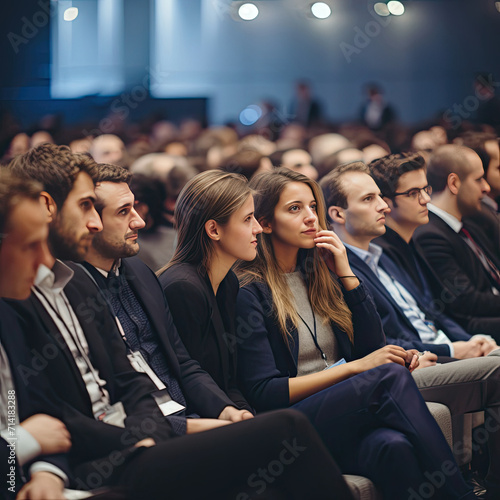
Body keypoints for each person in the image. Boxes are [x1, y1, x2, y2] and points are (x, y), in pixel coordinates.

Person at [7, 149, 351, 499]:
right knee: (288, 428)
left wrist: (225, 410)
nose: (137, 221)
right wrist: (44, 462)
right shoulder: (165, 284)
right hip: (113, 451)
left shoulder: (101, 278)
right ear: (48, 207)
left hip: (152, 430)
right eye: (89, 207)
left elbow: (140, 376)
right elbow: (49, 411)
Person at [235, 167, 475, 499]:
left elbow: (371, 347)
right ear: (265, 222)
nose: (310, 218)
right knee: (387, 376)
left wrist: (346, 274)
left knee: (393, 447)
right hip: (288, 423)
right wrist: (352, 368)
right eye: (294, 209)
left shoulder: (318, 273)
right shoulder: (250, 291)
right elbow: (264, 391)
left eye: (312, 208)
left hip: (340, 407)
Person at [321, 159, 500, 498]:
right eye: (369, 199)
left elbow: (429, 312)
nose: (383, 205)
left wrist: (465, 341)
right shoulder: (338, 267)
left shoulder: (381, 252)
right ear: (338, 214)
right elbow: (374, 340)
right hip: (406, 363)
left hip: (428, 352)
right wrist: (448, 350)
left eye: (381, 197)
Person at [158, 170, 261, 410]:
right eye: (247, 219)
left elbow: (228, 380)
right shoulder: (182, 288)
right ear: (214, 230)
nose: (258, 228)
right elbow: (188, 382)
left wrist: (244, 413)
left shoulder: (227, 282)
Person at [0, 171, 72, 500]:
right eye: (31, 245)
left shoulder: (10, 313)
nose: (45, 260)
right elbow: (33, 431)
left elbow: (43, 415)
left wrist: (48, 473)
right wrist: (23, 443)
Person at [413, 145, 500, 338]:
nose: (486, 187)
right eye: (478, 179)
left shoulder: (469, 220)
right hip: (474, 330)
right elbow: (465, 301)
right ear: (454, 183)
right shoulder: (430, 235)